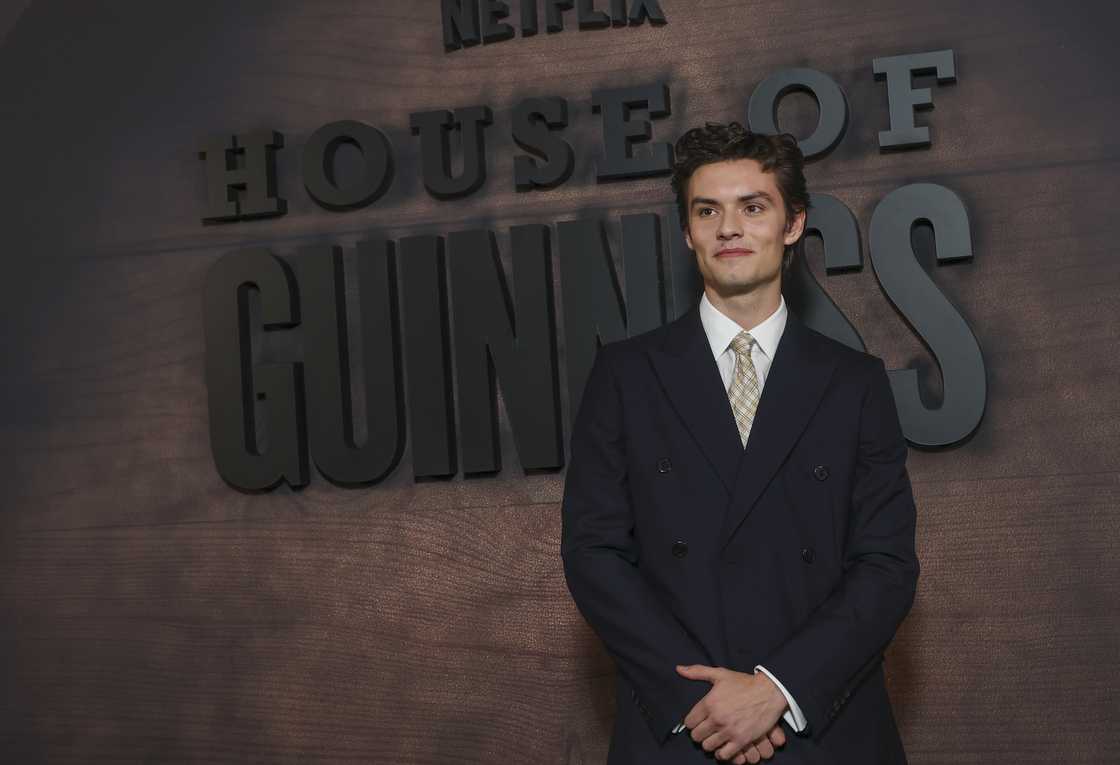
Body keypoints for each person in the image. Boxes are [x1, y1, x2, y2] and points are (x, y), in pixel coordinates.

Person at [560, 122, 919, 764]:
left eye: (752, 207)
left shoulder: (854, 381)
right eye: (708, 211)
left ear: (791, 224)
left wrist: (776, 690)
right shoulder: (624, 375)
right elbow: (594, 554)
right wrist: (704, 705)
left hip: (824, 730)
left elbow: (886, 565)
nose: (729, 228)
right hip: (680, 730)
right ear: (688, 232)